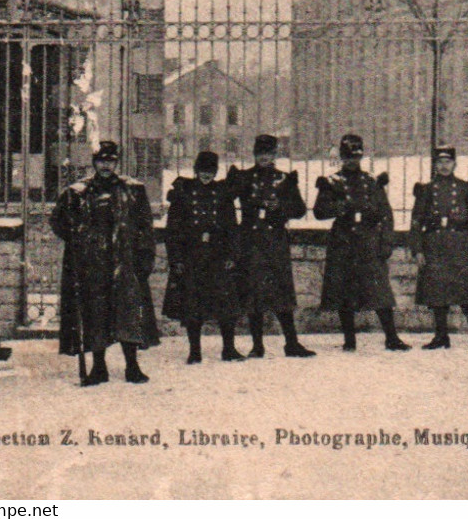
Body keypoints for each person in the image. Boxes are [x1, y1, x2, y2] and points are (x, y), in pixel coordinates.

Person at [50, 140, 159, 385]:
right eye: (101, 161)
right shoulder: (78, 192)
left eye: (110, 161)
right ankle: (99, 368)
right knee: (95, 315)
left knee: (128, 314)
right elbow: (58, 221)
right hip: (93, 265)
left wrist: (145, 258)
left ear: (117, 162)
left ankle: (132, 366)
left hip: (125, 262)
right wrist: (77, 237)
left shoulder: (133, 190)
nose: (106, 166)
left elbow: (145, 227)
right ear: (94, 162)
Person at [314, 133, 409, 352]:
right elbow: (319, 211)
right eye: (347, 157)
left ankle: (391, 337)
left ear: (361, 157)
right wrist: (340, 208)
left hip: (368, 241)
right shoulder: (332, 182)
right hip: (343, 242)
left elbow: (385, 214)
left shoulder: (371, 181)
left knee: (380, 291)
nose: (351, 162)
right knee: (344, 292)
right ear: (341, 158)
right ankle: (350, 339)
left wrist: (386, 242)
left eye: (355, 157)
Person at [227, 133, 314, 358]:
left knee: (282, 293)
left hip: (275, 242)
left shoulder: (284, 179)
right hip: (251, 242)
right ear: (254, 155)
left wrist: (280, 206)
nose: (264, 158)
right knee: (254, 294)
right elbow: (226, 198)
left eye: (268, 154)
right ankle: (258, 345)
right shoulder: (244, 177)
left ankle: (291, 343)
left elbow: (300, 209)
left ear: (275, 155)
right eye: (260, 154)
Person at [163, 150, 245, 363]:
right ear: (196, 170)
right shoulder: (183, 191)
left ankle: (229, 349)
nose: (206, 175)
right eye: (202, 171)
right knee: (193, 305)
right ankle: (195, 351)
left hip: (218, 255)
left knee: (226, 305)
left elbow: (232, 227)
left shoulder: (222, 193)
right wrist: (176, 259)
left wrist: (232, 255)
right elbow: (173, 229)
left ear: (216, 172)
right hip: (193, 256)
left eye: (211, 171)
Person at [411, 144, 468, 350]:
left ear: (455, 164)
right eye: (440, 162)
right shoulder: (426, 190)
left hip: (459, 244)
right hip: (435, 244)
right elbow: (416, 222)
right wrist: (418, 250)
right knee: (437, 292)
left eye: (448, 162)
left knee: (467, 291)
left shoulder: (466, 188)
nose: (444, 166)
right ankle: (441, 337)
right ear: (435, 164)